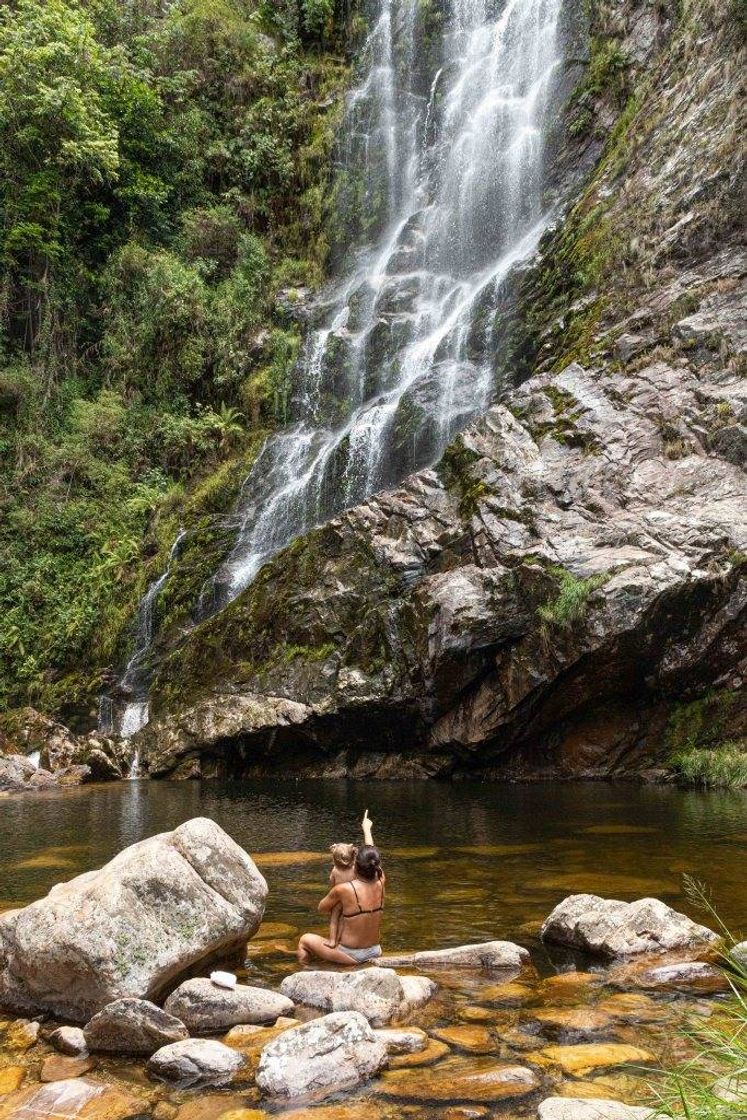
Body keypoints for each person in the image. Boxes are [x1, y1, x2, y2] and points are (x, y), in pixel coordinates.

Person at [297, 809, 385, 965]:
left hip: (351, 955)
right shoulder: (381, 881)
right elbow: (372, 856)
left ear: (356, 867)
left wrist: (335, 891)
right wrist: (367, 829)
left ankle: (305, 974)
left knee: (304, 940)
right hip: (375, 950)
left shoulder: (344, 889)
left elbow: (322, 908)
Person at [325, 842, 357, 948]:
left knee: (334, 919)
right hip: (351, 900)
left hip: (339, 900)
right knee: (344, 919)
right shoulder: (355, 869)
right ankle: (340, 940)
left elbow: (333, 886)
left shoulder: (335, 871)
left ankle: (332, 941)